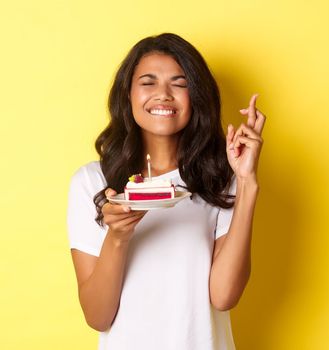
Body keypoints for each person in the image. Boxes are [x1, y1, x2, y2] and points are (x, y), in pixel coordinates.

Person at [66, 32, 266, 350]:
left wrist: (246, 182)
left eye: (180, 83)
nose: (163, 94)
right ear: (127, 94)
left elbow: (224, 295)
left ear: (196, 96)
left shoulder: (218, 178)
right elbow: (97, 316)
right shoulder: (92, 182)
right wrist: (117, 236)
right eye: (148, 82)